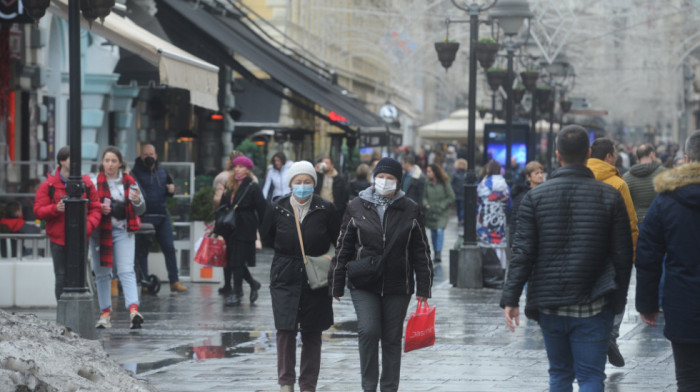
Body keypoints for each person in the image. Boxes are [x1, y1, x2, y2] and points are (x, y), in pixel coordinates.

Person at [501, 125, 634, 391]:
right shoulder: (610, 196)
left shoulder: (535, 197)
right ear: (588, 153)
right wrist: (618, 302)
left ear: (558, 155)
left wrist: (511, 298)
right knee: (591, 376)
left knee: (560, 375)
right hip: (595, 301)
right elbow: (623, 254)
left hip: (550, 302)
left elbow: (523, 253)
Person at [329, 157, 433, 392]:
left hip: (399, 283)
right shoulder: (356, 205)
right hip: (364, 280)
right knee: (368, 330)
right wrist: (336, 283)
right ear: (374, 178)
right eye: (381, 177)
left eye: (390, 178)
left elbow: (421, 250)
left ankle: (388, 387)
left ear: (398, 182)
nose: (384, 182)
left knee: (392, 337)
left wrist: (424, 288)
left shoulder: (410, 208)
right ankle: (368, 386)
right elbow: (343, 246)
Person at [264, 160, 339, 392]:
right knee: (285, 330)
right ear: (291, 184)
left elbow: (339, 241)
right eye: (299, 182)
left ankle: (308, 385)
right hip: (284, 275)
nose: (303, 186)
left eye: (308, 182)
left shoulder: (326, 209)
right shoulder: (277, 207)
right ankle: (286, 383)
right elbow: (267, 237)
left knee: (312, 332)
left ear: (314, 184)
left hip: (315, 277)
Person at [636, 130, 700, 392]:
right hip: (682, 302)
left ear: (686, 159)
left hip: (683, 303)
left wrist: (647, 304)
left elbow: (648, 256)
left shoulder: (666, 201)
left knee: (688, 379)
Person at [588, 137, 639, 367]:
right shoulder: (618, 184)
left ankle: (592, 335)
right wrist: (633, 255)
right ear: (609, 157)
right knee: (618, 297)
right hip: (613, 252)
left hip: (584, 251)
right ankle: (611, 335)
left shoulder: (579, 177)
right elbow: (631, 223)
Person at [33, 146, 101, 300]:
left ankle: (77, 310)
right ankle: (62, 314)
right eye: (72, 159)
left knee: (79, 277)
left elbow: (96, 209)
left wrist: (87, 227)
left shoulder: (87, 184)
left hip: (80, 238)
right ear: (62, 161)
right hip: (59, 240)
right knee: (61, 277)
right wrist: (55, 208)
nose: (77, 163)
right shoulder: (49, 185)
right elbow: (38, 210)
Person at [89, 146, 146, 329]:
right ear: (102, 162)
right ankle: (105, 314)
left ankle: (133, 310)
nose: (110, 165)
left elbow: (142, 208)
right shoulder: (93, 181)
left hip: (123, 230)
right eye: (107, 161)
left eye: (114, 161)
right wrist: (98, 206)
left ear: (120, 163)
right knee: (102, 273)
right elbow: (88, 206)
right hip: (100, 232)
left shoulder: (129, 182)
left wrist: (136, 200)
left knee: (126, 270)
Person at [132, 144, 187, 293]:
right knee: (142, 251)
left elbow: (170, 187)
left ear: (156, 155)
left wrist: (172, 190)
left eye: (151, 153)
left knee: (169, 248)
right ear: (141, 155)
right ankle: (145, 282)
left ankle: (174, 281)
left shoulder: (162, 171)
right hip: (144, 217)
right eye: (145, 154)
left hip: (162, 216)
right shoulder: (134, 172)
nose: (148, 156)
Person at [220, 156, 267, 306]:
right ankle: (253, 284)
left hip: (245, 227)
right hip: (230, 227)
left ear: (247, 169)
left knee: (237, 261)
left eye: (241, 166)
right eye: (235, 166)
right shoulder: (230, 184)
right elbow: (223, 205)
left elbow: (262, 209)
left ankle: (237, 292)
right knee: (234, 261)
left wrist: (262, 231)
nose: (237, 169)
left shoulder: (252, 186)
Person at [476, 160, 511, 269]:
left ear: (488, 169)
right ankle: (501, 269)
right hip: (499, 218)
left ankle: (489, 271)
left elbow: (477, 201)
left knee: (487, 244)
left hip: (485, 217)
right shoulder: (504, 185)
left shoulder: (482, 184)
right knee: (499, 244)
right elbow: (509, 204)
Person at [623, 144, 666, 223]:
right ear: (652, 155)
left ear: (637, 156)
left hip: (636, 221)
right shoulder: (664, 173)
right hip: (659, 220)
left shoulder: (627, 177)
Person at [423, 163, 455, 263]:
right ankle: (435, 251)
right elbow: (424, 196)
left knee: (439, 231)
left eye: (429, 171)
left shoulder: (445, 182)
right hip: (431, 212)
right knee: (433, 232)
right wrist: (426, 204)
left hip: (442, 212)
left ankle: (438, 253)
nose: (427, 173)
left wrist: (442, 205)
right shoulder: (427, 183)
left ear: (435, 172)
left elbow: (451, 196)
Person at [509, 161, 544, 248]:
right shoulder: (522, 196)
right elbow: (514, 219)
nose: (540, 175)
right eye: (536, 173)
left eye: (541, 173)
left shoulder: (546, 193)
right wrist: (512, 242)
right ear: (528, 177)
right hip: (526, 238)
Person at [314, 156, 347, 222]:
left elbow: (344, 196)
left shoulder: (339, 179)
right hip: (319, 209)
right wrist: (316, 170)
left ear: (332, 165)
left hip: (334, 210)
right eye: (323, 163)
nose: (324, 164)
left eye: (326, 163)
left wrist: (340, 209)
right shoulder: (318, 177)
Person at [450, 158, 468, 226]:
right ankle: (460, 219)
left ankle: (462, 220)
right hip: (457, 194)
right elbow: (452, 183)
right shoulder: (455, 174)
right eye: (460, 164)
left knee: (462, 208)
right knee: (458, 208)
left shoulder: (466, 174)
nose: (461, 166)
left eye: (463, 164)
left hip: (464, 194)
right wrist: (455, 189)